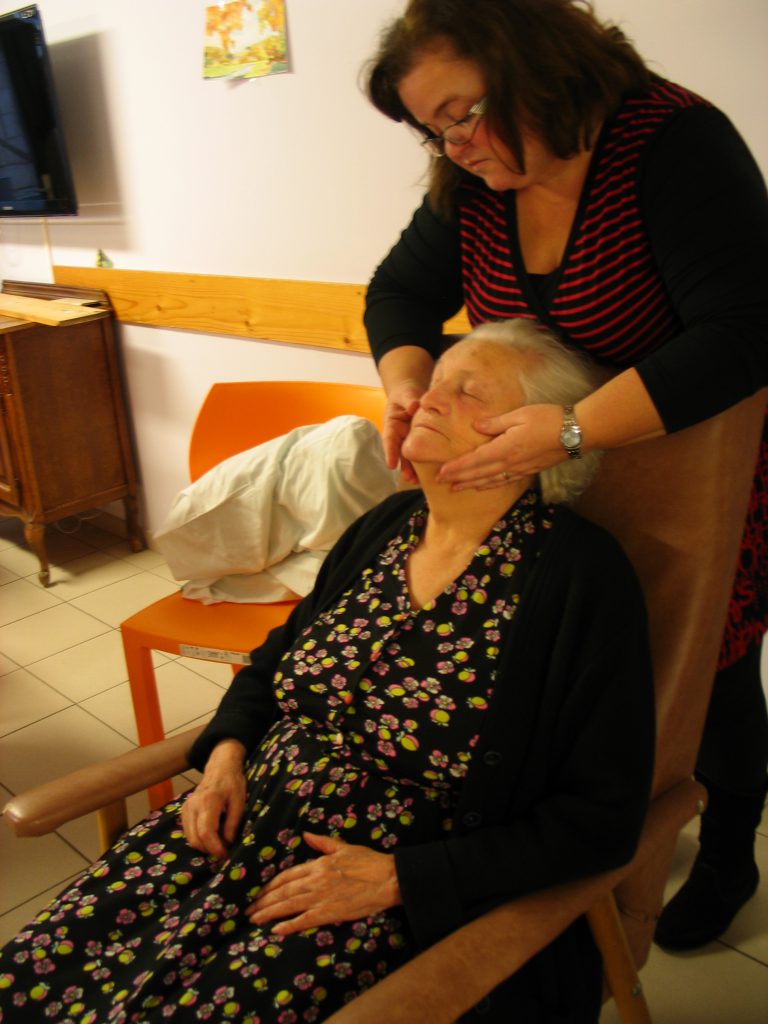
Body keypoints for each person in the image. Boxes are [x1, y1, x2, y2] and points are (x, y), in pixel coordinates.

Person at [0, 321, 654, 1023]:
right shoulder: (387, 526)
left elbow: (601, 820)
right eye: (433, 382)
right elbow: (270, 667)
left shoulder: (580, 579)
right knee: (32, 977)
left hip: (381, 894)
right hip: (234, 829)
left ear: (533, 439)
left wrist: (402, 878)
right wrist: (223, 760)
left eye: (467, 391)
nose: (425, 400)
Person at [363, 0, 768, 952]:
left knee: (704, 672)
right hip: (543, 461)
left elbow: (748, 331)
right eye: (432, 127)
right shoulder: (472, 183)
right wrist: (408, 382)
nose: (453, 144)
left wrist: (579, 427)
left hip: (691, 466)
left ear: (532, 61)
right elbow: (400, 291)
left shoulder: (671, 144)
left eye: (462, 112)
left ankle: (730, 849)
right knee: (590, 666)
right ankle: (617, 816)